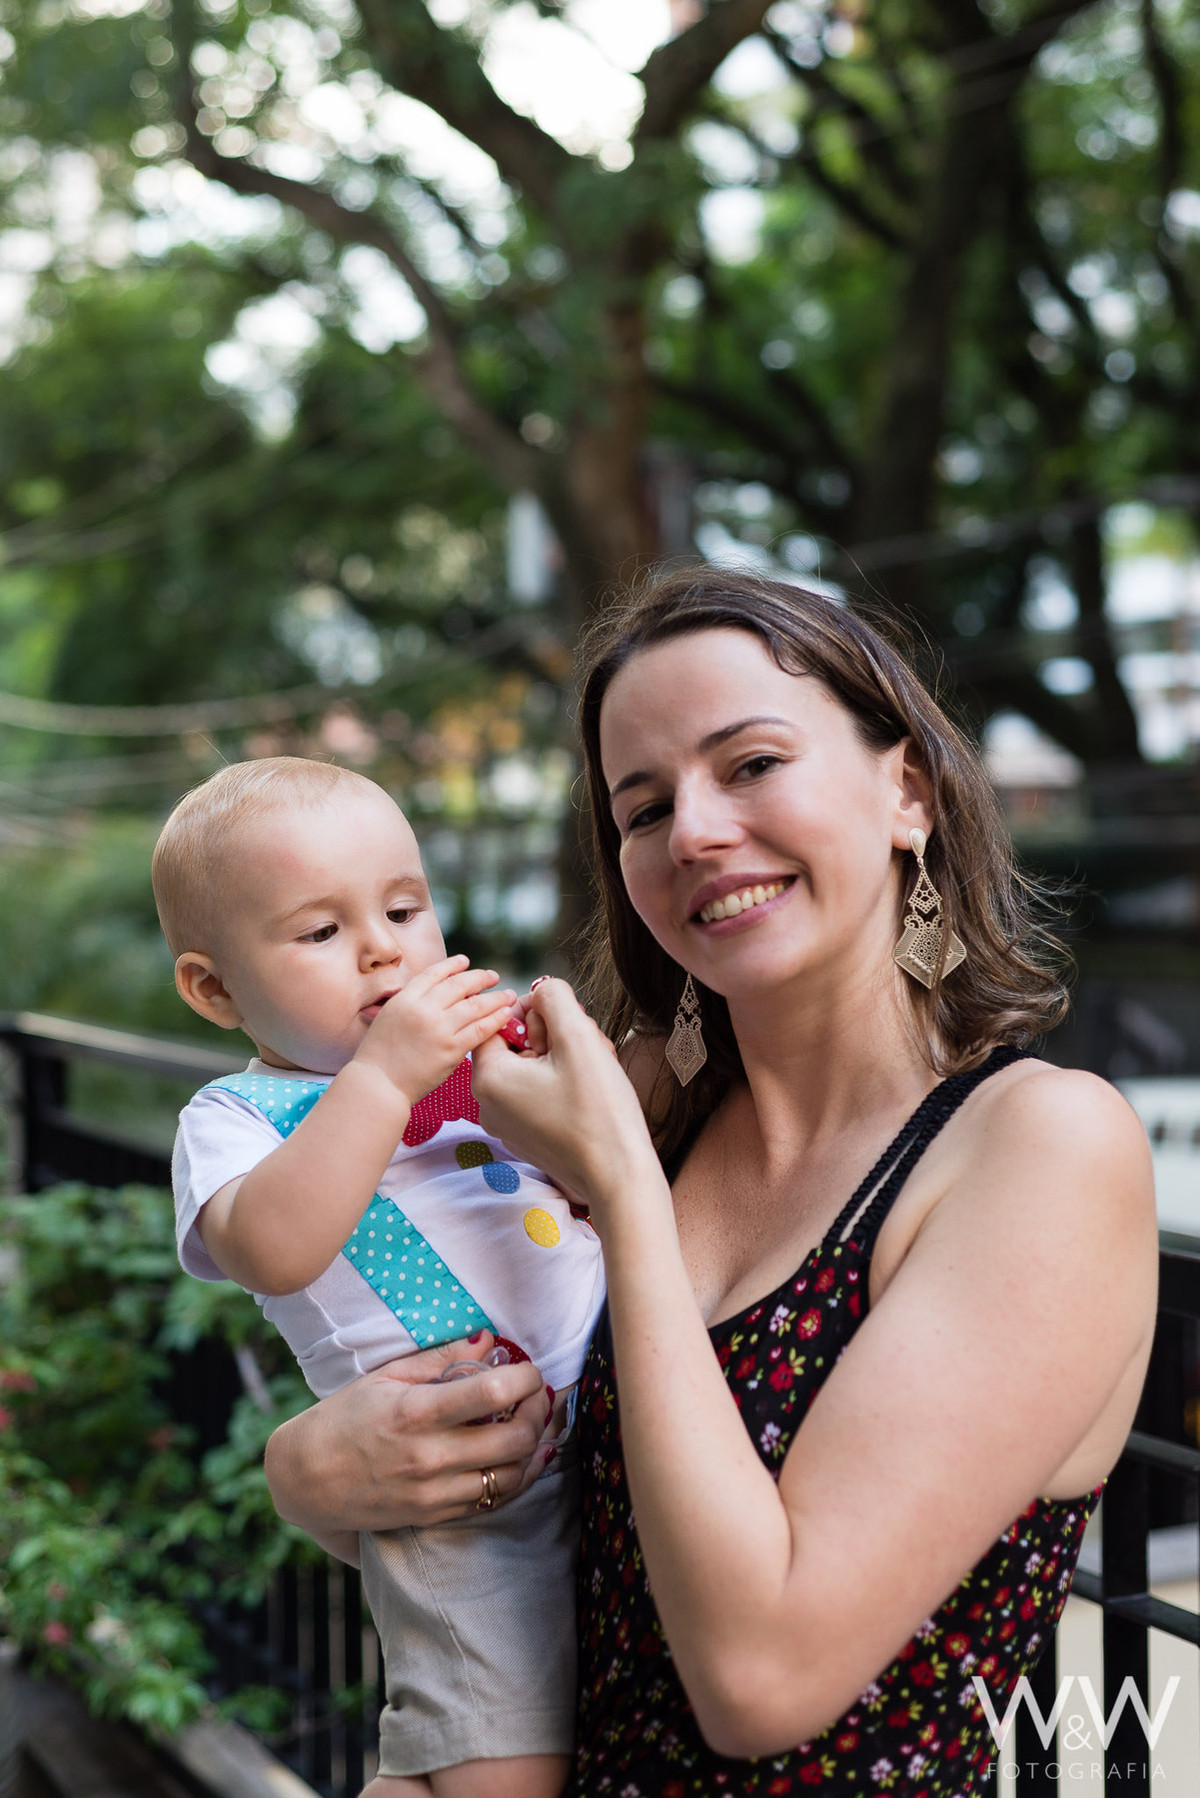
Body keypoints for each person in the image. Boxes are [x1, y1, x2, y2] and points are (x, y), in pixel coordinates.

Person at [264, 571, 1158, 1796]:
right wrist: (311, 1474)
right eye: (642, 809)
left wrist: (623, 1192)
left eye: (750, 764)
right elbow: (512, 1509)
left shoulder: (1038, 1146)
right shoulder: (647, 1125)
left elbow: (761, 1682)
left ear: (907, 792)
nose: (692, 832)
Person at [152, 758, 605, 1798]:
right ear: (215, 987)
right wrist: (384, 1077)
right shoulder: (237, 1119)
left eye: (405, 907)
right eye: (321, 932)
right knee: (499, 1767)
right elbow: (273, 1246)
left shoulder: (471, 1068)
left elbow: (588, 1184)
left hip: (599, 1431)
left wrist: (542, 1092)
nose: (382, 948)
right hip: (461, 1496)